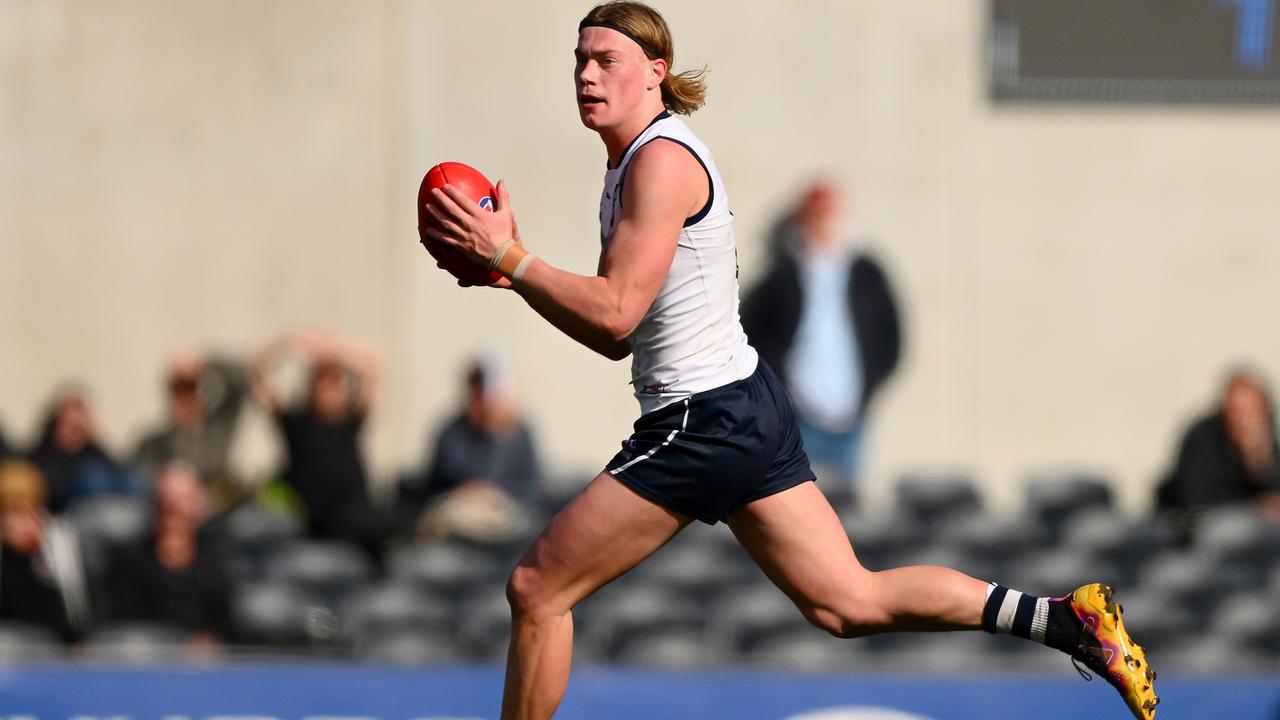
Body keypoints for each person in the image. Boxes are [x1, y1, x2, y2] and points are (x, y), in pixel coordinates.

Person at [421, 3, 1158, 718]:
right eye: (579, 60)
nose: (586, 74)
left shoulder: (660, 164)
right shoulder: (632, 164)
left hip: (703, 419)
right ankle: (1063, 621)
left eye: (605, 60)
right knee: (848, 603)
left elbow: (615, 315)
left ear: (654, 71)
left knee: (536, 590)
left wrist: (510, 259)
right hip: (742, 404)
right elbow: (614, 325)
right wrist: (506, 271)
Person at [741, 180, 901, 493]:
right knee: (802, 497)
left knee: (847, 502)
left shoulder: (866, 271)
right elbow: (755, 336)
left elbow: (890, 336)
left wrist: (870, 386)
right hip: (801, 412)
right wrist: (781, 393)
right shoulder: (782, 273)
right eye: (815, 217)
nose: (822, 225)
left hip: (853, 411)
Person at [251, 329, 390, 558]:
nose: (328, 391)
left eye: (334, 383)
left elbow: (375, 363)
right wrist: (290, 342)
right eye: (322, 382)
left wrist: (335, 349)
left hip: (355, 521)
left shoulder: (351, 420)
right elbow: (257, 368)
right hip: (310, 522)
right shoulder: (296, 421)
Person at [401, 350, 543, 544]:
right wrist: (473, 491)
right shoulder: (452, 431)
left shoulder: (518, 431)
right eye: (477, 392)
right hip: (459, 515)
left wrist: (499, 434)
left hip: (503, 518)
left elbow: (530, 490)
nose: (483, 400)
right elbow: (446, 478)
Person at [105, 461, 232, 645]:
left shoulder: (216, 561)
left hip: (204, 668)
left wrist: (210, 642)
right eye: (166, 499)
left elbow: (227, 625)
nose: (173, 507)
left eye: (182, 500)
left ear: (198, 506)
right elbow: (119, 625)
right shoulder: (127, 560)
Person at [1156, 369, 1280, 542]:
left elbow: (1273, 498)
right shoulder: (1202, 435)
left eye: (1252, 410)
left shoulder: (1266, 441)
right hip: (1194, 530)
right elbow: (1195, 496)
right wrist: (1252, 507)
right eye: (1237, 410)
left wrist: (1259, 461)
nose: (1244, 418)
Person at [133, 348, 251, 510]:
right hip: (174, 515)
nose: (185, 398)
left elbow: (242, 379)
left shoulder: (217, 427)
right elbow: (139, 480)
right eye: (178, 390)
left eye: (190, 389)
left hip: (220, 514)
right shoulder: (154, 441)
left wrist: (204, 362)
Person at [0, 460, 90, 642]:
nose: (27, 521)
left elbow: (68, 621)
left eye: (33, 509)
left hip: (48, 657)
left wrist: (33, 556)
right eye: (16, 511)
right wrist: (13, 555)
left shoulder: (58, 549)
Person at [28, 385, 138, 514]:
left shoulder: (94, 451)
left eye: (79, 427)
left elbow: (125, 479)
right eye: (69, 424)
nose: (74, 432)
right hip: (69, 514)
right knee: (93, 478)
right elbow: (53, 491)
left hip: (109, 513)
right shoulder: (42, 455)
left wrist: (100, 442)